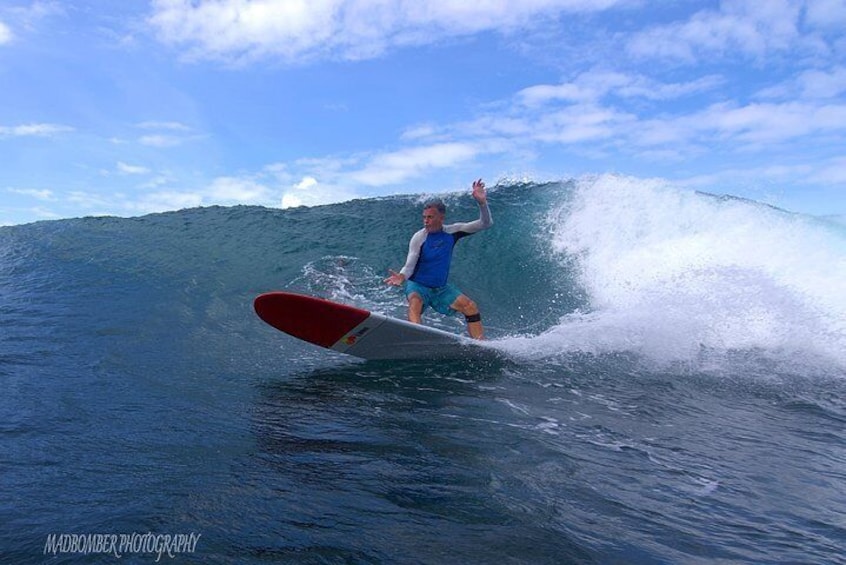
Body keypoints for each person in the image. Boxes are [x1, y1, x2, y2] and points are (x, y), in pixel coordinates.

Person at [384, 179, 492, 339]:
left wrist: (482, 203)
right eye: (424, 217)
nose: (426, 221)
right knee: (415, 302)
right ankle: (417, 339)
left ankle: (481, 345)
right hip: (417, 285)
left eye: (430, 217)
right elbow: (409, 265)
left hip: (441, 288)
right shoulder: (419, 237)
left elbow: (485, 223)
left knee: (470, 307)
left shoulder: (453, 232)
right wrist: (401, 277)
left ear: (441, 218)